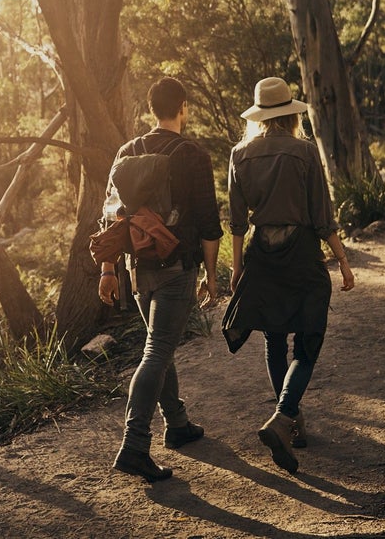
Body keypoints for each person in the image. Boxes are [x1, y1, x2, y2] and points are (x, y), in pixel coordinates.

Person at [222, 77, 355, 474]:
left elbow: (236, 222)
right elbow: (321, 215)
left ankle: (292, 422)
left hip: (261, 253)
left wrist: (238, 268)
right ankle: (283, 419)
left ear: (260, 116)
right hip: (300, 253)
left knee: (274, 338)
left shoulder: (239, 154)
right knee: (309, 339)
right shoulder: (305, 151)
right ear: (290, 114)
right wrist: (343, 261)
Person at [99, 77, 222, 483]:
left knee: (160, 344)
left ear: (152, 109)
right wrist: (211, 275)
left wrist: (107, 270)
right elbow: (208, 224)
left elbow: (110, 216)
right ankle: (134, 446)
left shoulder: (126, 151)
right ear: (182, 107)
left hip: (137, 270)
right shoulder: (192, 154)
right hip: (175, 268)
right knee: (156, 350)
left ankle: (178, 423)